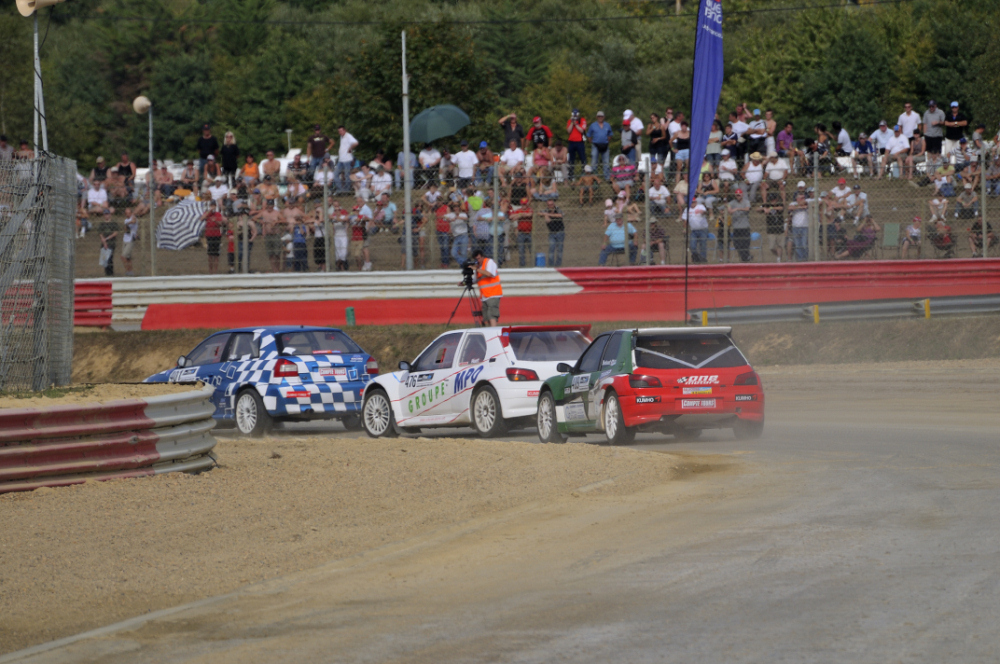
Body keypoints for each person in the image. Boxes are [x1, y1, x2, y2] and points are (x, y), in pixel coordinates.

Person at [471, 248, 502, 326]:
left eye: (478, 258)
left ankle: (494, 332)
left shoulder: (489, 262)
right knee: (486, 316)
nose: (477, 260)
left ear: (482, 256)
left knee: (492, 315)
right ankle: (489, 332)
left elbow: (489, 274)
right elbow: (474, 280)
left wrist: (476, 269)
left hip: (493, 293)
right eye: (476, 259)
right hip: (485, 295)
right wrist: (463, 283)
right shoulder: (478, 267)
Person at [727, 188, 752, 262]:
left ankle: (746, 258)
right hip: (736, 228)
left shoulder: (746, 202)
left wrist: (738, 209)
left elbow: (747, 209)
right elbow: (729, 209)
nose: (738, 196)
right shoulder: (732, 202)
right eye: (737, 195)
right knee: (737, 245)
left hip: (745, 227)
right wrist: (730, 208)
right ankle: (746, 257)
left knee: (745, 245)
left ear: (742, 195)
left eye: (739, 195)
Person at [586, 111, 614, 179]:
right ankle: (594, 177)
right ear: (596, 117)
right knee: (594, 162)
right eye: (599, 116)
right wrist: (591, 142)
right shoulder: (593, 125)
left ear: (604, 117)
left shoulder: (607, 125)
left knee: (606, 162)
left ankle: (607, 177)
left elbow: (610, 134)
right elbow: (589, 135)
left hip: (605, 145)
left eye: (601, 116)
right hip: (595, 145)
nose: (600, 117)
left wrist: (607, 141)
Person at [682, 198, 710, 263]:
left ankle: (703, 259)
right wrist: (684, 229)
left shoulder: (700, 206)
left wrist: (702, 212)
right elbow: (685, 221)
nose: (692, 203)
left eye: (694, 202)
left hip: (703, 229)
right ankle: (696, 258)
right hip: (693, 230)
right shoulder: (687, 210)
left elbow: (705, 212)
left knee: (703, 244)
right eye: (691, 202)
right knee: (692, 246)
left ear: (696, 202)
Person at [539, 199, 564, 267]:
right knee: (551, 250)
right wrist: (545, 215)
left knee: (559, 250)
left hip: (560, 232)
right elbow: (539, 213)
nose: (550, 206)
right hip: (552, 233)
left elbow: (560, 215)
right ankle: (551, 266)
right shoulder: (546, 210)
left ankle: (558, 266)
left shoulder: (557, 209)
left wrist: (548, 215)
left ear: (554, 204)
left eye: (552, 205)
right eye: (549, 205)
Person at [786, 191, 810, 261]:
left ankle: (805, 259)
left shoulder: (807, 202)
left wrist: (798, 207)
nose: (803, 199)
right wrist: (800, 206)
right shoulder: (793, 203)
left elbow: (806, 206)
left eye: (803, 198)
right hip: (795, 227)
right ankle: (800, 260)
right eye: (801, 198)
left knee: (804, 244)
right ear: (797, 199)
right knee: (797, 245)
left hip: (804, 226)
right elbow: (790, 208)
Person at [511, 197, 534, 267]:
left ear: (527, 204)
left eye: (525, 204)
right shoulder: (519, 210)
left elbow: (529, 214)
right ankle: (522, 266)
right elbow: (511, 217)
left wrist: (519, 215)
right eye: (522, 205)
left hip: (529, 233)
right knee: (521, 251)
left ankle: (533, 265)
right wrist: (520, 215)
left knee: (531, 250)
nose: (524, 206)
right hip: (521, 233)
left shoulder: (529, 209)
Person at [335, 126, 358, 193]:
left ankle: (347, 190)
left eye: (341, 131)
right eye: (339, 131)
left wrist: (350, 148)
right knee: (335, 174)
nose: (340, 132)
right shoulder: (341, 137)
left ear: (344, 130)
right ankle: (341, 189)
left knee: (347, 175)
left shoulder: (348, 136)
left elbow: (356, 143)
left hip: (347, 159)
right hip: (341, 159)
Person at [202, 202, 224, 274]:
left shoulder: (218, 214)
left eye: (214, 206)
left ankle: (215, 270)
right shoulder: (207, 213)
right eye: (211, 206)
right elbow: (201, 218)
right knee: (210, 254)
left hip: (217, 235)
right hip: (209, 235)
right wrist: (209, 212)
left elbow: (221, 224)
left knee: (216, 254)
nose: (212, 207)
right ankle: (210, 270)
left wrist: (216, 221)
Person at [120, 209, 138, 276]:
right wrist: (127, 224)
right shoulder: (126, 220)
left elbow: (134, 221)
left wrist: (128, 223)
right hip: (125, 239)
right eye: (126, 213)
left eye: (129, 213)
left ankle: (128, 270)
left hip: (131, 239)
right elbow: (125, 229)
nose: (128, 214)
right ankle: (130, 271)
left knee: (123, 256)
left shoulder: (133, 218)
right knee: (128, 258)